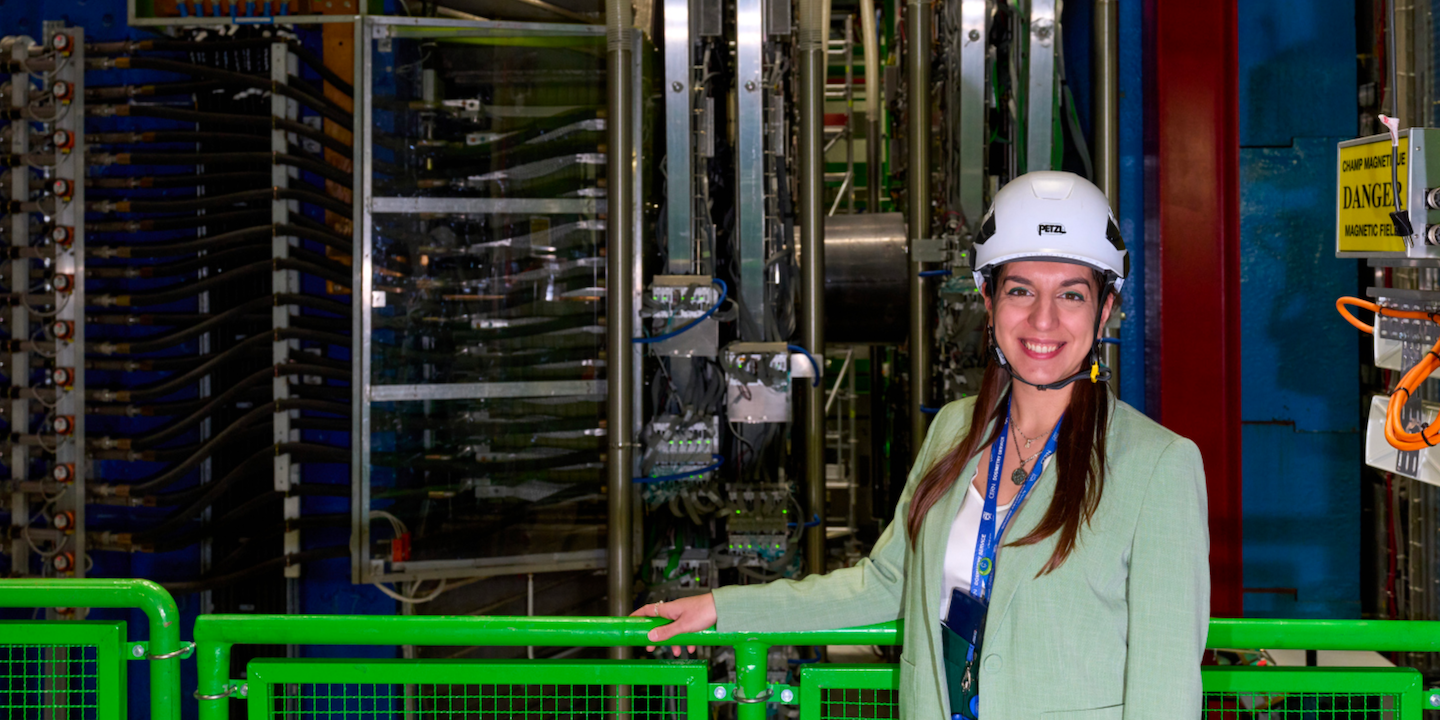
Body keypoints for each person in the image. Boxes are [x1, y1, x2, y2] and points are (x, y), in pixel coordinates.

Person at [633, 171, 1209, 720]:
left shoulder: (1158, 465)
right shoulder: (955, 432)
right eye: (1020, 290)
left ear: (1106, 307)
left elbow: (1165, 683)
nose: (1042, 319)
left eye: (1072, 295)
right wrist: (723, 608)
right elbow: (886, 584)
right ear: (988, 300)